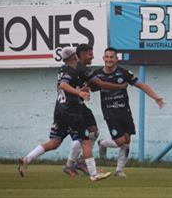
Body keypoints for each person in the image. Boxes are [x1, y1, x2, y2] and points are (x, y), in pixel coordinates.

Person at [18, 47, 111, 182]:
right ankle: (94, 173)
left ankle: (27, 159)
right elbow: (63, 85)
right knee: (85, 141)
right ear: (75, 57)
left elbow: (66, 85)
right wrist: (79, 93)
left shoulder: (62, 70)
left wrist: (80, 89)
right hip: (72, 111)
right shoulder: (71, 70)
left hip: (60, 111)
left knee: (54, 142)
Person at [95, 47, 165, 177]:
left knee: (127, 140)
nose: (109, 59)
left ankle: (119, 170)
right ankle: (102, 143)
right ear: (104, 58)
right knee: (120, 141)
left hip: (124, 111)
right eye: (107, 57)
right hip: (110, 112)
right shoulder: (97, 75)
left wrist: (156, 97)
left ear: (116, 59)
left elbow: (141, 85)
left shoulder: (124, 73)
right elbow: (87, 86)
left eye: (112, 57)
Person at [63, 44, 128, 177]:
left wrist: (84, 89)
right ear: (81, 55)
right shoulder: (79, 68)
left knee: (93, 132)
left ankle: (80, 162)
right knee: (81, 137)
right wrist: (120, 86)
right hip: (72, 107)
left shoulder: (78, 68)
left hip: (79, 105)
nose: (92, 56)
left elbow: (87, 85)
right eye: (90, 54)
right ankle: (71, 165)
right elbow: (100, 84)